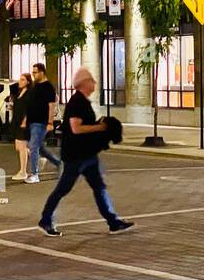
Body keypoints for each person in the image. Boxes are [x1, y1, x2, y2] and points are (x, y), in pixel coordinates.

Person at [37, 68, 134, 237]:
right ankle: (45, 220)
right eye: (91, 81)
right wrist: (100, 127)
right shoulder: (77, 102)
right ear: (84, 83)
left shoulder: (83, 101)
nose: (94, 84)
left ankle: (113, 222)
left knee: (99, 187)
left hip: (87, 154)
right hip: (76, 155)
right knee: (63, 189)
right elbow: (76, 128)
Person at [25, 62, 62, 182]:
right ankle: (58, 163)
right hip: (32, 121)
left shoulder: (48, 87)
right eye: (33, 72)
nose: (33, 75)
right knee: (39, 148)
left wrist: (50, 122)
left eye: (35, 72)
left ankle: (35, 174)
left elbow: (51, 105)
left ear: (42, 72)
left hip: (41, 122)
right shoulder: (35, 86)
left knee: (33, 146)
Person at [10, 72, 34, 181]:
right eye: (20, 79)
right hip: (17, 121)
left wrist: (25, 121)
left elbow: (29, 109)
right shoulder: (20, 92)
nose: (20, 81)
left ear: (28, 82)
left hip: (24, 123)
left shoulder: (29, 93)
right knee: (19, 147)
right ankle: (35, 159)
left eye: (23, 79)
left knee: (22, 147)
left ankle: (23, 171)